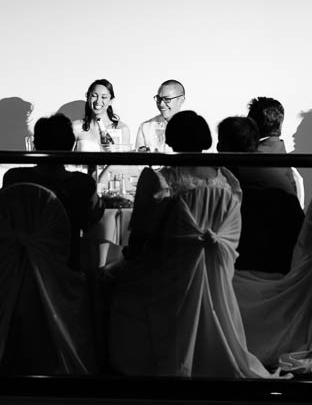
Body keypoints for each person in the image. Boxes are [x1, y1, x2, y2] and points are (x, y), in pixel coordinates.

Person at [107, 111, 278, 378]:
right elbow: (232, 233)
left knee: (108, 278)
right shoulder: (226, 181)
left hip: (165, 275)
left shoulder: (159, 179)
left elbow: (140, 240)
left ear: (171, 138)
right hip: (216, 272)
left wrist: (128, 255)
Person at [3, 114, 104, 271]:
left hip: (19, 268)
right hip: (68, 268)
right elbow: (92, 219)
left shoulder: (14, 178)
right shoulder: (81, 184)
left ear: (35, 144)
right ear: (71, 146)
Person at [217, 117, 303, 274]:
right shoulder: (274, 175)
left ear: (222, 146)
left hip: (236, 267)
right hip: (280, 266)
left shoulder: (223, 184)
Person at [72, 79, 130, 151]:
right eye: (94, 95)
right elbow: (65, 159)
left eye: (104, 97)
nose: (98, 101)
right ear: (88, 97)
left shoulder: (122, 129)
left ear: (111, 101)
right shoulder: (76, 127)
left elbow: (126, 161)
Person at [134, 79, 186, 153]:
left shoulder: (193, 128)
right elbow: (138, 161)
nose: (161, 104)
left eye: (167, 99)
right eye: (159, 99)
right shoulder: (146, 127)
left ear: (181, 100)